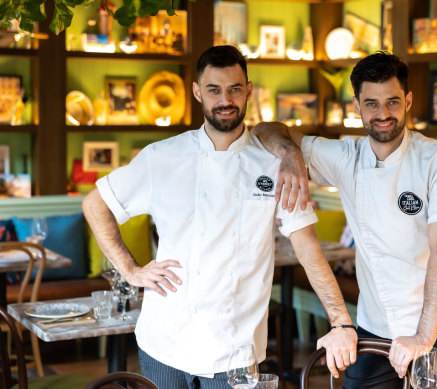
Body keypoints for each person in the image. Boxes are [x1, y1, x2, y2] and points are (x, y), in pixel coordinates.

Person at [82, 45, 357, 389]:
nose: (225, 99)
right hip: (165, 339)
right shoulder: (162, 157)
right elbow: (95, 204)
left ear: (249, 91)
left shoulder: (274, 165)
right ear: (197, 91)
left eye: (234, 89)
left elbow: (307, 247)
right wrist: (131, 269)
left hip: (236, 349)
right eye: (214, 89)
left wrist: (341, 321)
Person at [253, 52, 437, 389]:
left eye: (392, 102)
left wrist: (422, 337)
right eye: (371, 103)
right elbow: (264, 130)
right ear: (356, 104)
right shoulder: (346, 157)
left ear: (408, 101)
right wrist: (290, 154)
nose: (383, 113)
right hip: (375, 325)